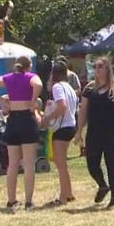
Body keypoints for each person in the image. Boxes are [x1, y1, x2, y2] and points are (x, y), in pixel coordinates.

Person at [74, 56, 114, 209]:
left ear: (108, 69)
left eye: (100, 66)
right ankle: (103, 185)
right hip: (94, 132)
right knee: (92, 163)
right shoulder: (89, 89)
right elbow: (83, 111)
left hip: (113, 132)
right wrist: (78, 132)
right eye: (95, 67)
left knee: (111, 163)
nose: (97, 69)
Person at [0, 55, 43, 210]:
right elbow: (38, 85)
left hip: (13, 119)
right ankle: (29, 201)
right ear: (29, 66)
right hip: (26, 119)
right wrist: (33, 100)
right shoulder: (31, 76)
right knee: (29, 164)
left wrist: (1, 101)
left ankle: (11, 200)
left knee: (12, 164)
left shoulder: (8, 78)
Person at [41, 62, 78, 206]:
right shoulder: (69, 87)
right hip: (71, 125)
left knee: (60, 164)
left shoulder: (57, 87)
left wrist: (48, 118)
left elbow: (62, 105)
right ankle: (68, 193)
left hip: (62, 128)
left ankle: (63, 197)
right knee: (62, 164)